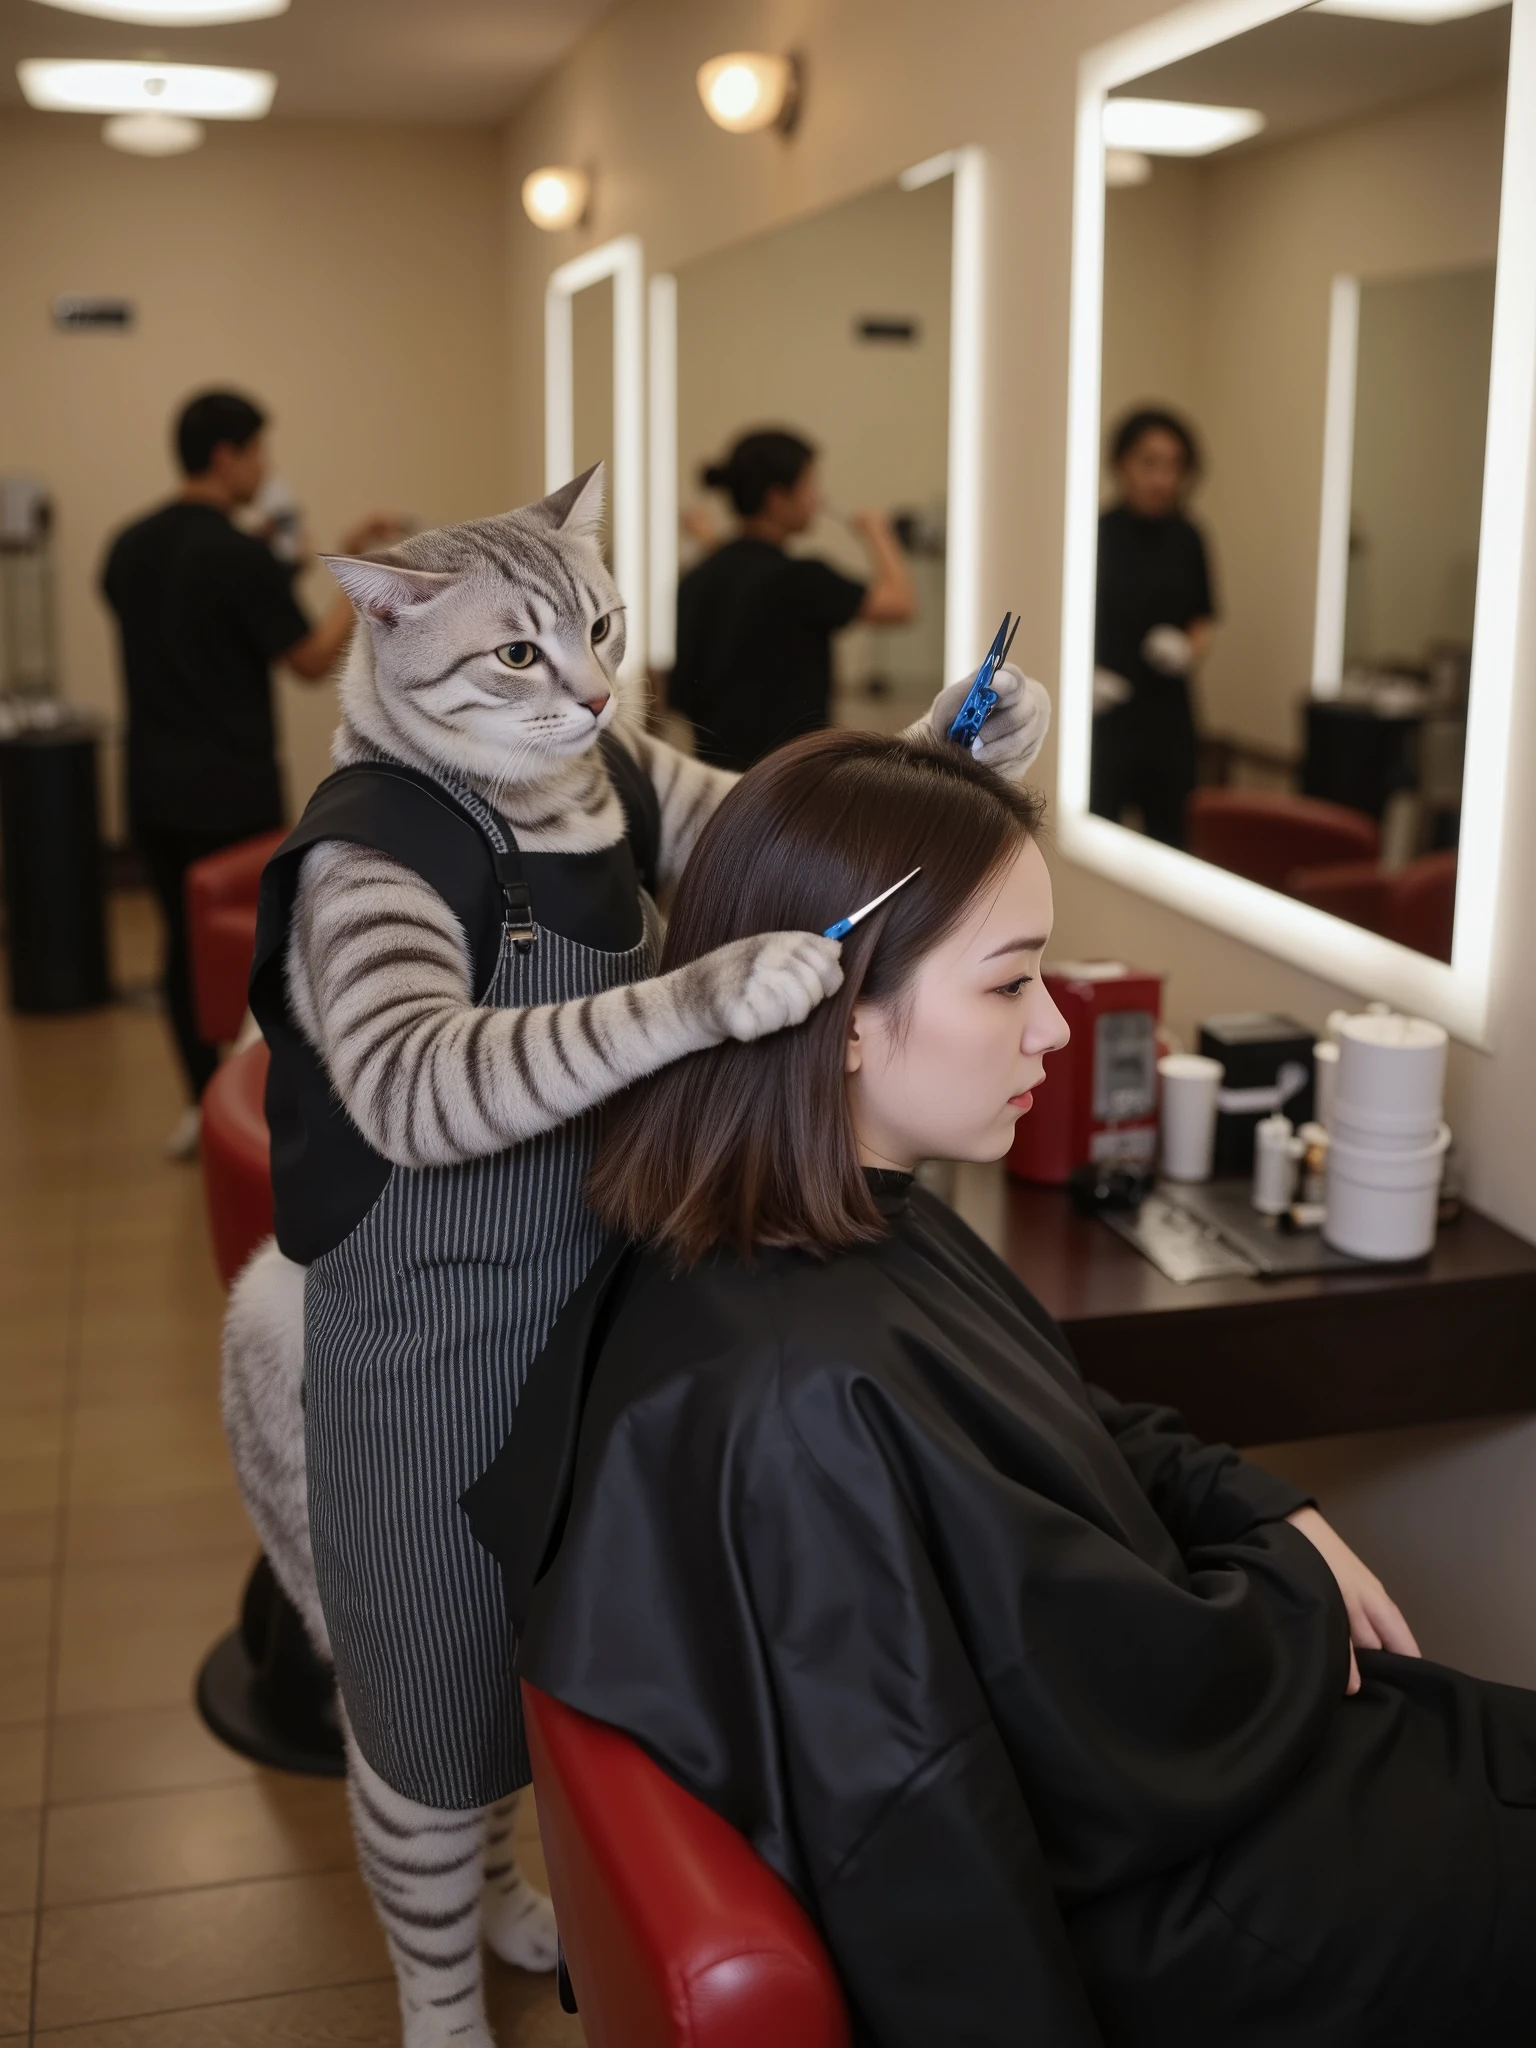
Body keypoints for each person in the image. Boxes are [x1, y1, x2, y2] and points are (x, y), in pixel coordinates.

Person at [465, 728, 1536, 2048]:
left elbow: (1067, 1423)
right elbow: (1120, 1731)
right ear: (840, 1011)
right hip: (1195, 1914)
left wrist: (1261, 1505)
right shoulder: (802, 1399)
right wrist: (1291, 1589)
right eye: (1009, 983)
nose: (1055, 1023)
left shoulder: (822, 1219)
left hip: (1212, 1817)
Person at [101, 389, 399, 1155]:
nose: (265, 466)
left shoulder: (129, 546)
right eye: (259, 452)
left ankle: (202, 1105)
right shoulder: (235, 557)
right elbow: (306, 658)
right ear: (228, 454)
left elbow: (198, 609)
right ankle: (256, 1106)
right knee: (258, 955)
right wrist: (363, 578)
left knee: (181, 944)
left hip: (151, 787)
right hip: (228, 789)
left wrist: (297, 553)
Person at [672, 428, 917, 771]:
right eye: (809, 486)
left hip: (716, 783)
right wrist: (879, 532)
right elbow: (900, 604)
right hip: (790, 784)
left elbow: (684, 692)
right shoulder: (801, 579)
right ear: (776, 497)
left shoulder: (697, 578)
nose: (817, 499)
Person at [1092, 407, 1215, 848]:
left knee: (1171, 838)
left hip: (1168, 715)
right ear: (1122, 463)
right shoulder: (1095, 534)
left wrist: (1189, 649)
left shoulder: (1188, 537)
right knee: (1096, 832)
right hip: (1105, 715)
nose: (1162, 478)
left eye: (1174, 465)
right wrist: (1080, 675)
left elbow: (1203, 616)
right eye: (1149, 462)